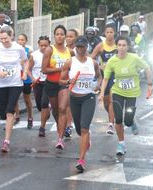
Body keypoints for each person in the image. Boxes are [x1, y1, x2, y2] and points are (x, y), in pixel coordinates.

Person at [99, 36, 153, 155]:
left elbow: (147, 68)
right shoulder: (112, 61)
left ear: (128, 47)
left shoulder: (134, 58)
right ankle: (121, 143)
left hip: (132, 93)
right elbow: (106, 79)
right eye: (119, 45)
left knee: (127, 120)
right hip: (118, 91)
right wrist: (102, 93)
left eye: (124, 45)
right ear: (116, 46)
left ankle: (131, 122)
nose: (121, 48)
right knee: (118, 118)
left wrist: (150, 85)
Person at [61, 36, 102, 173]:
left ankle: (81, 160)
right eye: (78, 47)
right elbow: (61, 80)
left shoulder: (93, 63)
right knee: (79, 130)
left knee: (84, 128)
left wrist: (98, 85)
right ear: (75, 48)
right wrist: (68, 82)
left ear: (87, 47)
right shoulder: (70, 62)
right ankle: (86, 141)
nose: (80, 49)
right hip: (74, 98)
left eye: (83, 47)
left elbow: (99, 76)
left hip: (88, 97)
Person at [0, 26, 28, 152]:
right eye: (1, 39)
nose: (4, 41)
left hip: (15, 83)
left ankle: (6, 141)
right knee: (3, 111)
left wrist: (25, 72)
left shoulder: (18, 48)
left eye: (6, 38)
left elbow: (26, 61)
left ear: (11, 36)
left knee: (10, 110)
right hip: (1, 84)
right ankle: (7, 125)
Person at [42, 25, 74, 149]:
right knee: (55, 110)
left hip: (64, 84)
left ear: (65, 36)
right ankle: (61, 128)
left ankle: (60, 139)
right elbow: (44, 69)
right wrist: (60, 68)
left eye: (62, 34)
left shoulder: (70, 52)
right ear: (54, 36)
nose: (59, 36)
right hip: (51, 84)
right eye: (57, 34)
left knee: (62, 108)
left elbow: (74, 66)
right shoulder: (50, 50)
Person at [91, 24, 117, 135]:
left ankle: (111, 124)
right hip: (104, 75)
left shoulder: (118, 45)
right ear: (104, 34)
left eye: (111, 32)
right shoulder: (101, 46)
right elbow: (91, 58)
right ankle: (111, 115)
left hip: (116, 75)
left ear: (114, 33)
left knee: (112, 99)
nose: (110, 34)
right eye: (107, 32)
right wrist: (99, 66)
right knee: (107, 103)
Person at [27, 35, 51, 136]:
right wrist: (32, 78)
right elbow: (28, 69)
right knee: (40, 106)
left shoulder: (52, 54)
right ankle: (46, 112)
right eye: (41, 45)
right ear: (38, 45)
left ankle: (42, 127)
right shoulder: (34, 55)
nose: (43, 47)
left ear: (49, 45)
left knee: (44, 103)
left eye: (46, 45)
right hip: (37, 82)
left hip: (48, 82)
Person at [15, 33, 33, 128]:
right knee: (15, 98)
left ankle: (30, 117)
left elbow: (29, 64)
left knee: (27, 98)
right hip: (16, 77)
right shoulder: (14, 50)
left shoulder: (28, 51)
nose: (21, 41)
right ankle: (17, 116)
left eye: (23, 40)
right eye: (19, 39)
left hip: (26, 77)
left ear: (26, 41)